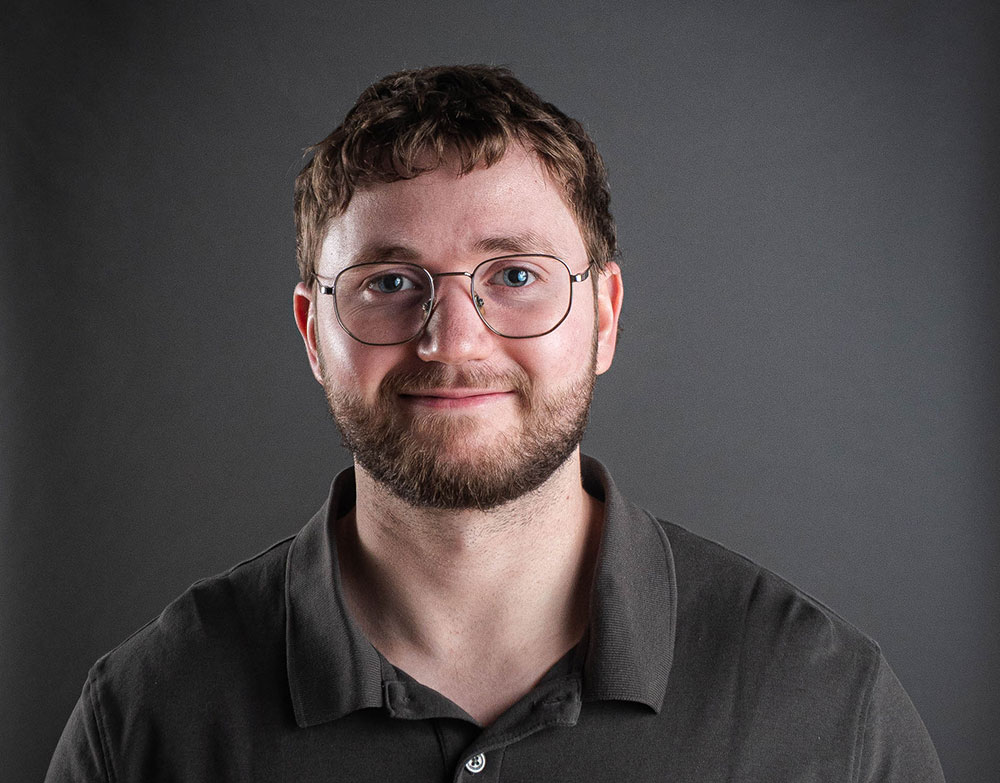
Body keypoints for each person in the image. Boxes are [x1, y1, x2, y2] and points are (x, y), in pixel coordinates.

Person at [47, 64, 945, 782]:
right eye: (389, 282)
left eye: (515, 275)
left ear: (604, 317)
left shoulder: (826, 711)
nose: (452, 340)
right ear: (313, 332)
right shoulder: (146, 721)